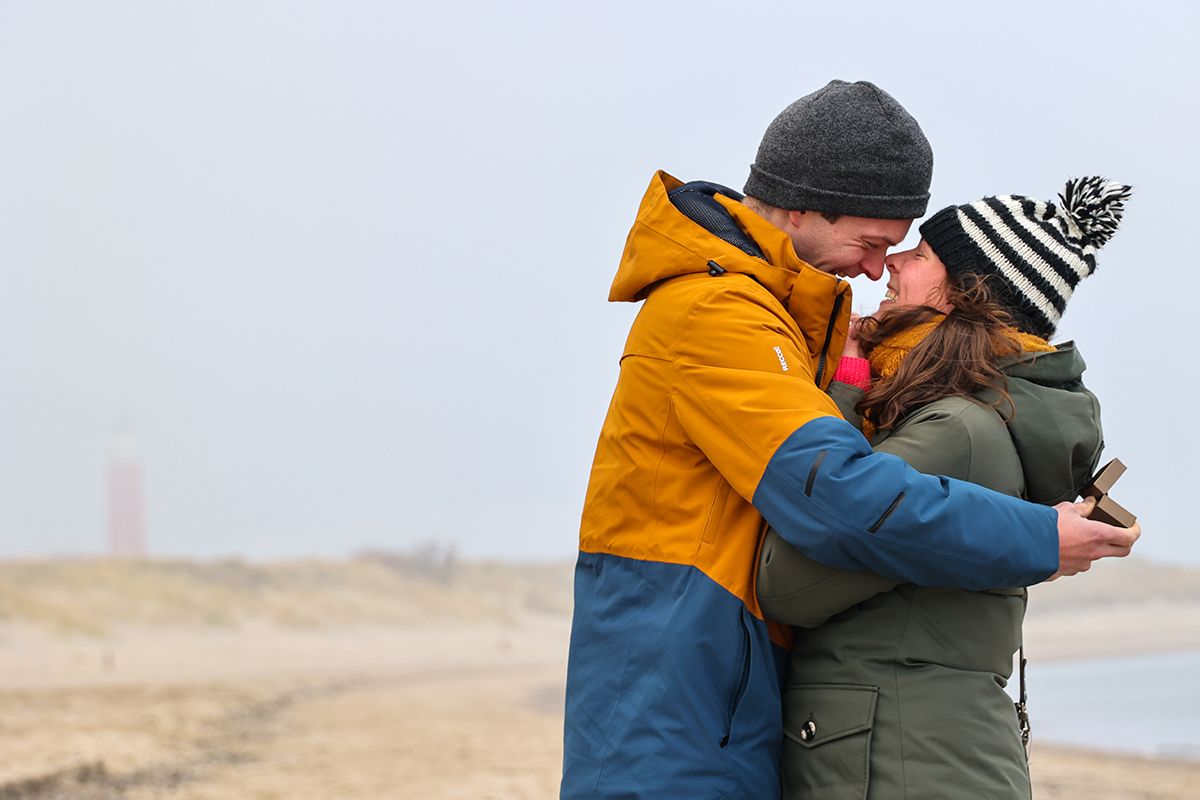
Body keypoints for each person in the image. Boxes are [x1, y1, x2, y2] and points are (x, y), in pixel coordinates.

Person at [561, 80, 1140, 800]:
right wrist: (1038, 539)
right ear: (801, 203)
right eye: (870, 243)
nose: (875, 270)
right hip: (674, 701)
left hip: (720, 693)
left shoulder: (779, 321)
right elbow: (833, 494)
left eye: (896, 252)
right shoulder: (716, 312)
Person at [757, 176, 1132, 799]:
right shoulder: (958, 416)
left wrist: (845, 389)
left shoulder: (953, 430)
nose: (893, 262)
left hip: (897, 762)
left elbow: (787, 583)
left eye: (922, 253)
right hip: (916, 754)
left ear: (963, 297)